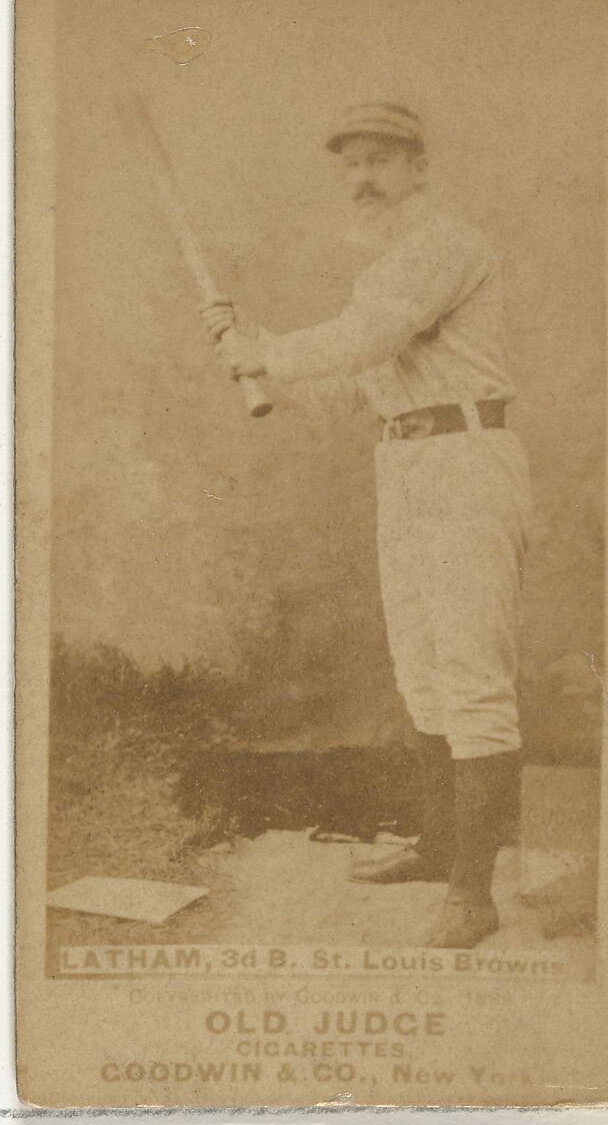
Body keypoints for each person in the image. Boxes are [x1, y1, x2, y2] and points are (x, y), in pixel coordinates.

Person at [201, 102, 532, 949]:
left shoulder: (442, 247)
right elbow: (347, 384)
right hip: (406, 462)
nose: (361, 179)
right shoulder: (386, 271)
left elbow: (366, 336)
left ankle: (474, 895)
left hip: (466, 459)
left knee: (470, 674)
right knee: (419, 669)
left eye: (380, 160)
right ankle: (438, 847)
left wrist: (271, 350)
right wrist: (250, 344)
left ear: (419, 169)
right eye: (348, 165)